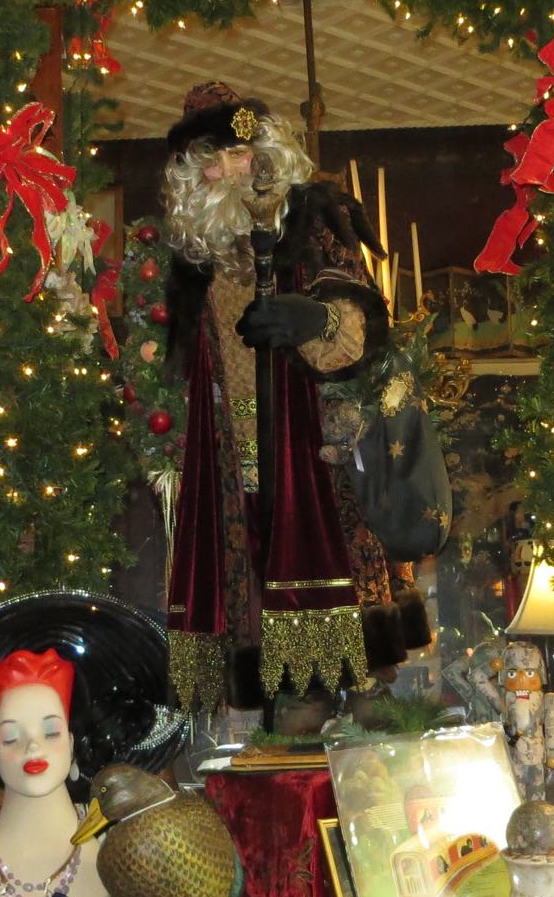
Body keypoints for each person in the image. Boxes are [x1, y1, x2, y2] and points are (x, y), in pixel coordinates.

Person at [157, 82, 423, 710]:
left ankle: (363, 702)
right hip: (232, 456)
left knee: (340, 581)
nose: (229, 172)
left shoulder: (310, 219)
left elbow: (363, 321)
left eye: (238, 154)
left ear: (265, 152)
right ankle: (292, 702)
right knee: (253, 577)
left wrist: (317, 319)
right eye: (212, 163)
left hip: (316, 445)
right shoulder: (193, 260)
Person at [0, 591, 185, 897]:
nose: (33, 748)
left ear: (70, 744)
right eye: (12, 737)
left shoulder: (101, 863)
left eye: (50, 732)